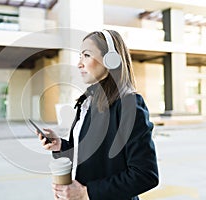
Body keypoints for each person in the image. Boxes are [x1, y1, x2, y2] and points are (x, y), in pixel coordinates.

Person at [36, 29, 159, 200]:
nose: (79, 63)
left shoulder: (128, 104)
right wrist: (60, 146)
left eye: (86, 55)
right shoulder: (87, 101)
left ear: (111, 59)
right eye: (80, 56)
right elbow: (89, 156)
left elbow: (145, 175)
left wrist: (87, 193)